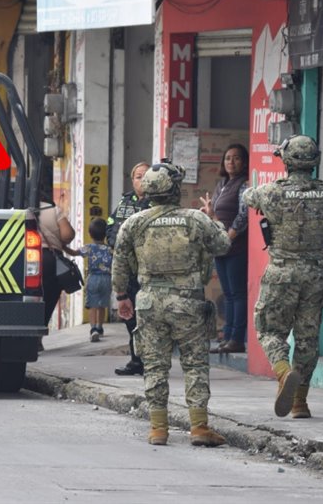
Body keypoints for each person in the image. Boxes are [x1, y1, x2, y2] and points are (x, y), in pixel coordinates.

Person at [112, 160, 231, 446]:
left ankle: (158, 429)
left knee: (154, 365)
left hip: (149, 302)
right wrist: (213, 218)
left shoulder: (134, 222)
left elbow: (119, 263)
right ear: (175, 188)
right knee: (195, 365)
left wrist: (121, 297)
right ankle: (200, 427)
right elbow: (223, 244)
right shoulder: (195, 219)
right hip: (188, 302)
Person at [243, 135, 323, 419]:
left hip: (282, 272)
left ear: (287, 160)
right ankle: (300, 402)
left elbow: (247, 196)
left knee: (269, 330)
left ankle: (284, 373)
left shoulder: (271, 192)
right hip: (316, 274)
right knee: (307, 337)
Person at [200, 144, 249, 353]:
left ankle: (237, 338)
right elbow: (217, 215)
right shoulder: (222, 184)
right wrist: (210, 214)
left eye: (236, 158)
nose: (231, 162)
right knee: (227, 294)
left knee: (238, 294)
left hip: (236, 247)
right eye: (228, 158)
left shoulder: (244, 184)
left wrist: (229, 236)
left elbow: (244, 214)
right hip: (221, 247)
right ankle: (227, 335)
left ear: (244, 162)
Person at [106, 161, 151, 376]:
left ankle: (150, 361)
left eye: (145, 176)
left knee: (148, 317)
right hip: (126, 269)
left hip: (148, 270)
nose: (141, 180)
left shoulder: (157, 203)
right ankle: (136, 359)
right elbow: (111, 226)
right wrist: (118, 243)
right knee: (129, 315)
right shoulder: (125, 202)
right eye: (138, 176)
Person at [64, 218, 113, 343]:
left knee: (92, 305)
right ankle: (100, 327)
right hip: (107, 279)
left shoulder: (89, 248)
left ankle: (93, 329)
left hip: (93, 278)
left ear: (90, 234)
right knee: (102, 305)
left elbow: (74, 253)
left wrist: (62, 247)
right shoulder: (110, 249)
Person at [38, 198, 76, 347]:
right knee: (48, 296)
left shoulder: (14, 210)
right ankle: (38, 337)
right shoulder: (52, 210)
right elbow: (68, 235)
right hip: (49, 259)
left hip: (22, 258)